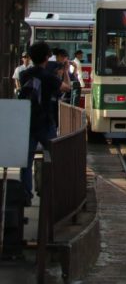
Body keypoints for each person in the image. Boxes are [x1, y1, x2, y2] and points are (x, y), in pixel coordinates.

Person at [19, 41, 71, 205]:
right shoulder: (49, 76)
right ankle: (49, 193)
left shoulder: (24, 74)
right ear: (47, 57)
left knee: (26, 161)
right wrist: (65, 71)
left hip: (28, 122)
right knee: (51, 158)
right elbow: (67, 88)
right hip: (46, 122)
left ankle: (26, 195)